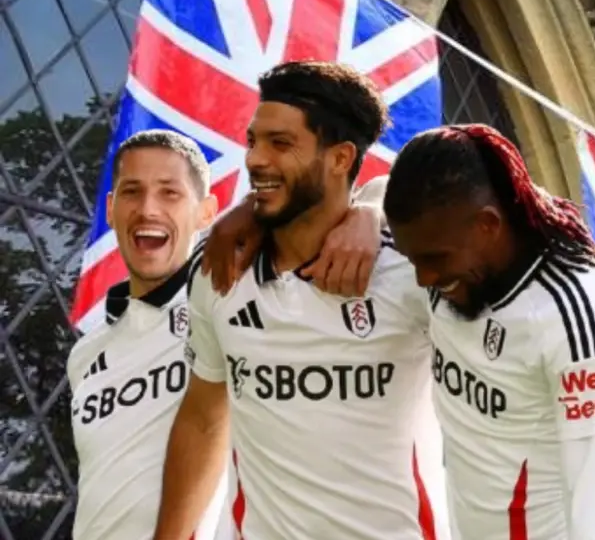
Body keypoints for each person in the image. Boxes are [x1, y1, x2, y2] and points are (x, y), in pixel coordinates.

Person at [153, 61, 449, 540]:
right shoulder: (220, 267)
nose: (255, 159)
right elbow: (205, 416)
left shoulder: (410, 272)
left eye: (280, 143)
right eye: (253, 141)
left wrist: (375, 207)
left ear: (339, 158)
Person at [381, 124, 595, 540]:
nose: (422, 277)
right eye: (410, 257)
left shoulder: (580, 312)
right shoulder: (443, 258)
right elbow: (370, 193)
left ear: (488, 224)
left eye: (433, 259)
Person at [67, 130, 232, 540]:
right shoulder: (86, 352)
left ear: (206, 212)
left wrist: (368, 215)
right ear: (110, 209)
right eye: (131, 192)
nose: (147, 209)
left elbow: (372, 194)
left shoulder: (229, 309)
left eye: (170, 193)